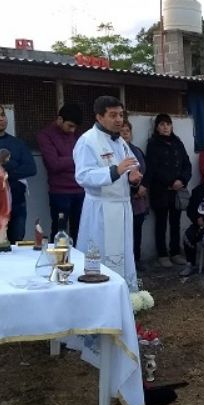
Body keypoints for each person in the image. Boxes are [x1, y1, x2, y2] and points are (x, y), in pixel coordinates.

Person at [73, 96, 142, 291]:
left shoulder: (120, 140)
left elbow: (131, 165)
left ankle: (126, 294)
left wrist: (133, 177)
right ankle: (101, 295)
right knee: (101, 254)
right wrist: (114, 171)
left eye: (121, 115)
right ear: (99, 117)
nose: (119, 119)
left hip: (122, 206)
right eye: (113, 115)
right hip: (101, 209)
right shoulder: (88, 141)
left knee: (124, 253)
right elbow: (83, 176)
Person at [0, 102, 37, 243]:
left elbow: (31, 168)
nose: (1, 118)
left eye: (3, 114)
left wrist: (5, 167)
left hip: (17, 203)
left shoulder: (17, 143)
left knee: (16, 244)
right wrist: (14, 165)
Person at [145, 113, 192, 268]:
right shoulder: (152, 144)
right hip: (161, 190)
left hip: (177, 191)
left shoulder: (177, 143)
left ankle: (175, 252)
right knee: (161, 223)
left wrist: (182, 180)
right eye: (162, 125)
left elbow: (187, 164)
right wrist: (171, 182)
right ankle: (162, 254)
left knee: (175, 222)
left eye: (168, 124)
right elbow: (153, 169)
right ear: (157, 128)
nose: (165, 127)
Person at [36, 103, 84, 242]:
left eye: (75, 127)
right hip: (60, 192)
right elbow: (54, 164)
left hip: (81, 190)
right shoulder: (45, 136)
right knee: (59, 230)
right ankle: (56, 262)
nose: (72, 130)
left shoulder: (79, 135)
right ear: (59, 120)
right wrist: (77, 159)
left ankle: (79, 262)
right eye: (70, 126)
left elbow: (88, 161)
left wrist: (65, 160)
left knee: (80, 231)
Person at [119, 120, 149, 266]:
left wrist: (143, 187)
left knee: (137, 230)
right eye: (121, 131)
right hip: (125, 197)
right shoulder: (116, 152)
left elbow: (146, 171)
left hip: (139, 199)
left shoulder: (137, 151)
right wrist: (134, 189)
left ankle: (136, 259)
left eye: (127, 131)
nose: (124, 134)